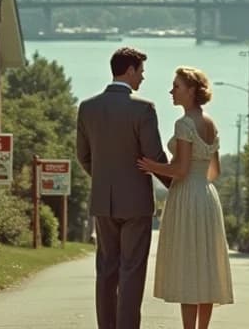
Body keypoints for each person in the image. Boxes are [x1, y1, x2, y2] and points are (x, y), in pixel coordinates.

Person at [76, 47, 170, 329]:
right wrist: (176, 185)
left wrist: (104, 177)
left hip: (103, 201)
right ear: (129, 70)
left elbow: (84, 156)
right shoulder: (143, 108)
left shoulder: (87, 107)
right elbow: (154, 157)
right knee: (131, 270)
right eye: (141, 71)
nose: (143, 77)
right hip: (136, 203)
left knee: (106, 269)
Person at [136, 66, 234, 329]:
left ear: (191, 91)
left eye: (176, 86)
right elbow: (215, 171)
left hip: (187, 195)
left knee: (189, 265)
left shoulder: (184, 123)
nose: (171, 91)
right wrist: (198, 184)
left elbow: (179, 169)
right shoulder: (210, 123)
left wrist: (150, 165)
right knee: (205, 264)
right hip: (206, 196)